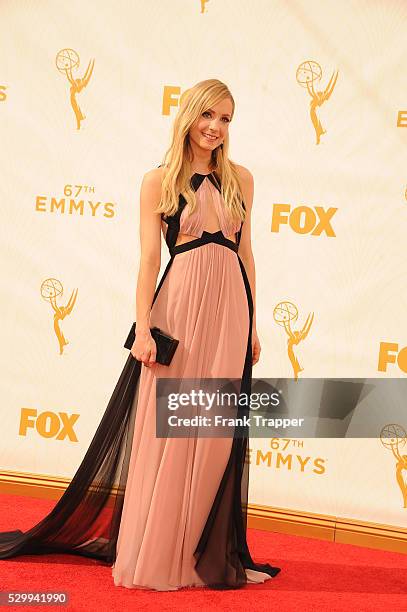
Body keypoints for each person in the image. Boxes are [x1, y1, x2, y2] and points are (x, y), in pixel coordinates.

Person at [0, 78, 281, 591]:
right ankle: (158, 551)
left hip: (231, 312)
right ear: (189, 115)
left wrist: (254, 323)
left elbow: (246, 255)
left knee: (214, 433)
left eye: (226, 119)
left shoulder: (243, 178)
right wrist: (145, 328)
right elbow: (150, 259)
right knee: (169, 429)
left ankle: (202, 553)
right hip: (178, 309)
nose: (216, 128)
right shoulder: (159, 181)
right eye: (208, 116)